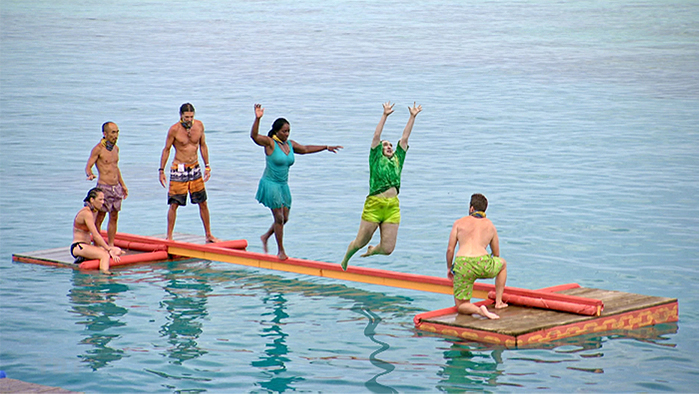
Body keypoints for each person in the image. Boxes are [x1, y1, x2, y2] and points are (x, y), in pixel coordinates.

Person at [250, 104, 343, 260]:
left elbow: (306, 149)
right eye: (283, 131)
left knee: (285, 218)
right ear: (276, 131)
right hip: (270, 184)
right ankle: (280, 251)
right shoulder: (270, 143)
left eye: (288, 131)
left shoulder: (290, 144)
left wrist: (326, 147)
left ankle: (266, 236)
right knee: (278, 218)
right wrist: (257, 119)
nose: (286, 134)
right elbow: (254, 136)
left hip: (283, 185)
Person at [340, 101, 422, 270]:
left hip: (392, 206)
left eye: (390, 145)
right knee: (360, 242)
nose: (389, 146)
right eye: (386, 145)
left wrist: (412, 117)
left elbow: (405, 138)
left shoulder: (398, 158)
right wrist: (384, 115)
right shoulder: (375, 158)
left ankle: (373, 251)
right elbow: (376, 136)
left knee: (388, 249)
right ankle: (346, 258)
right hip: (374, 205)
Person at [159, 103, 220, 242]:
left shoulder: (199, 126)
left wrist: (207, 166)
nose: (189, 119)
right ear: (181, 115)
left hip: (195, 167)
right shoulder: (174, 130)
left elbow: (203, 146)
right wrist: (161, 170)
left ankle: (208, 234)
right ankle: (169, 236)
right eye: (186, 117)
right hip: (179, 167)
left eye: (191, 117)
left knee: (203, 202)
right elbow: (167, 149)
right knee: (174, 204)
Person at [446, 193, 508, 320]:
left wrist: (449, 268)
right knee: (502, 264)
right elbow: (496, 254)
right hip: (482, 262)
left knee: (461, 305)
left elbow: (450, 249)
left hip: (463, 264)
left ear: (471, 208)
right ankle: (499, 302)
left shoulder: (459, 223)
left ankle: (479, 310)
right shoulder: (490, 225)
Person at [85, 121, 128, 247]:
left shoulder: (116, 149)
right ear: (105, 133)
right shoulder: (98, 149)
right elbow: (88, 166)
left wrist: (123, 185)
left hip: (116, 187)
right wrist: (90, 174)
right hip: (104, 187)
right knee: (100, 217)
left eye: (117, 132)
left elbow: (115, 168)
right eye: (113, 132)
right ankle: (97, 245)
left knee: (114, 216)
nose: (116, 135)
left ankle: (110, 244)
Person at [71, 187, 123, 275]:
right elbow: (95, 235)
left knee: (117, 250)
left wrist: (110, 249)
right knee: (105, 255)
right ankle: (104, 276)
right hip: (79, 246)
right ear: (92, 199)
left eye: (103, 199)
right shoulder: (86, 213)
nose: (103, 202)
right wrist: (108, 249)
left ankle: (85, 257)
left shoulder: (93, 211)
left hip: (87, 246)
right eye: (100, 199)